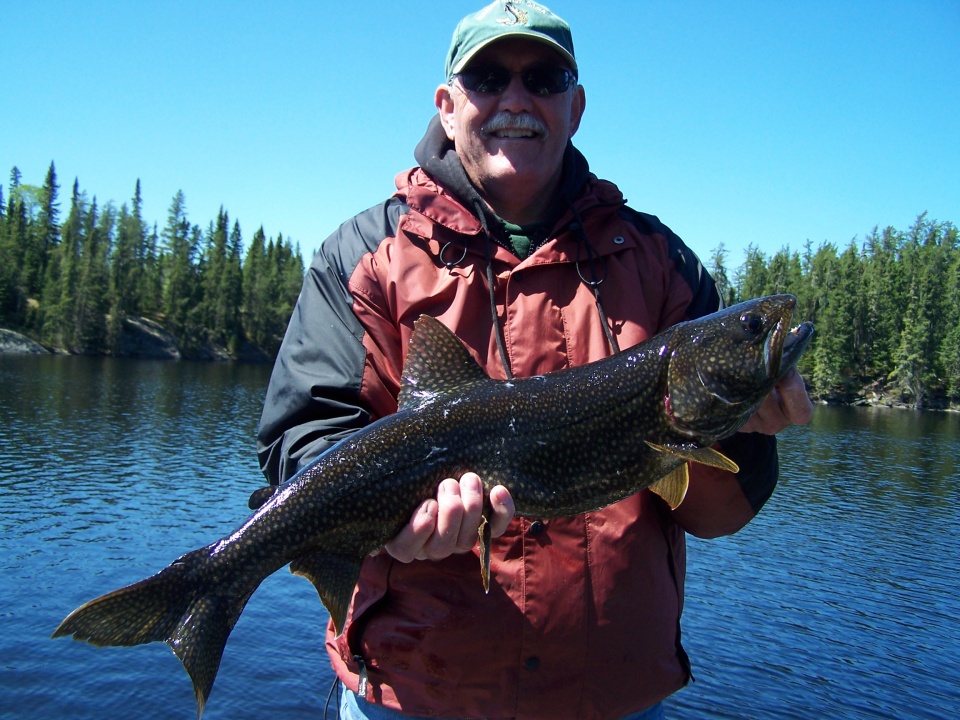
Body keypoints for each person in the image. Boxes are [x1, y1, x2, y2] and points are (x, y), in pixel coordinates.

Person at [256, 2, 814, 719]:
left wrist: (745, 429)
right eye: (489, 77)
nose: (516, 99)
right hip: (413, 696)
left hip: (614, 698)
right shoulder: (364, 257)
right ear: (448, 105)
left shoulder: (663, 265)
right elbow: (304, 445)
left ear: (575, 107)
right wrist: (389, 518)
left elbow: (717, 514)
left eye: (544, 78)